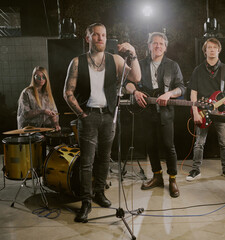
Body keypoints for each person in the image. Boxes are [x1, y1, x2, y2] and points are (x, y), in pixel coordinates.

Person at [63, 23, 141, 223]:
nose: (100, 38)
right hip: (88, 116)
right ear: (88, 38)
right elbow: (67, 92)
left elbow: (136, 77)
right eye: (96, 35)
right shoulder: (77, 62)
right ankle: (86, 201)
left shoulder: (114, 60)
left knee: (105, 159)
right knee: (87, 162)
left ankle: (99, 193)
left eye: (104, 35)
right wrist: (81, 114)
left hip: (108, 116)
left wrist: (133, 53)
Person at [125, 32, 185, 198]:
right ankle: (157, 176)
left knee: (168, 146)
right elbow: (127, 83)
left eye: (161, 44)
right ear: (149, 45)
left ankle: (172, 179)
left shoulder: (173, 66)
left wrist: (170, 94)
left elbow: (182, 87)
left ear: (165, 48)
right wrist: (135, 92)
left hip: (165, 113)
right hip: (146, 111)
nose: (158, 46)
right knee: (150, 146)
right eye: (155, 43)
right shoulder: (140, 64)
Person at [187, 38, 225, 182]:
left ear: (219, 50)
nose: (212, 49)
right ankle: (196, 170)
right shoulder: (198, 70)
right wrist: (195, 111)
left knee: (224, 142)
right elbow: (193, 93)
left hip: (220, 111)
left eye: (214, 47)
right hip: (202, 111)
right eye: (209, 47)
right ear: (205, 51)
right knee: (199, 143)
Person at [17, 66, 60, 131]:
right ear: (33, 77)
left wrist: (56, 124)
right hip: (30, 129)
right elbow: (26, 114)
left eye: (43, 77)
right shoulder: (26, 92)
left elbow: (54, 112)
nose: (41, 79)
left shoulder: (47, 93)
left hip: (45, 128)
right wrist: (42, 111)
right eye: (38, 77)